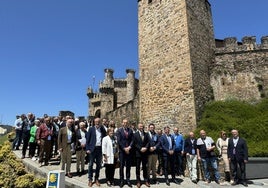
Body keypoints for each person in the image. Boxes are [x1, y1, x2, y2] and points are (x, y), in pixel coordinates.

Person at [86, 117, 106, 187]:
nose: (97, 123)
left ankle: (96, 178)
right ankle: (90, 179)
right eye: (96, 122)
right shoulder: (91, 129)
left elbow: (104, 139)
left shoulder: (102, 129)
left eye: (98, 121)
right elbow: (87, 139)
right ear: (94, 122)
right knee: (91, 165)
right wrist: (87, 149)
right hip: (92, 149)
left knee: (98, 165)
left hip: (99, 149)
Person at [116, 119, 134, 188]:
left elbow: (132, 140)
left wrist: (129, 147)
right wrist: (124, 148)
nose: (125, 123)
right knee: (121, 166)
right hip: (122, 151)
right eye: (124, 122)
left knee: (128, 166)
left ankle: (128, 179)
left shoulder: (130, 130)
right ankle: (121, 180)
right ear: (122, 123)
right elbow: (119, 141)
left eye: (126, 122)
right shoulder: (119, 131)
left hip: (129, 151)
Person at [133, 123, 150, 188]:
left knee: (145, 167)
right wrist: (140, 148)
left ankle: (146, 180)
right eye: (140, 126)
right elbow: (135, 143)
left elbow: (148, 142)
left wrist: (146, 147)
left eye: (142, 126)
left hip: (145, 153)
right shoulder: (135, 134)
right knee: (137, 168)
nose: (141, 127)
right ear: (138, 127)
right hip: (138, 153)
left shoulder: (146, 134)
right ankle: (138, 181)